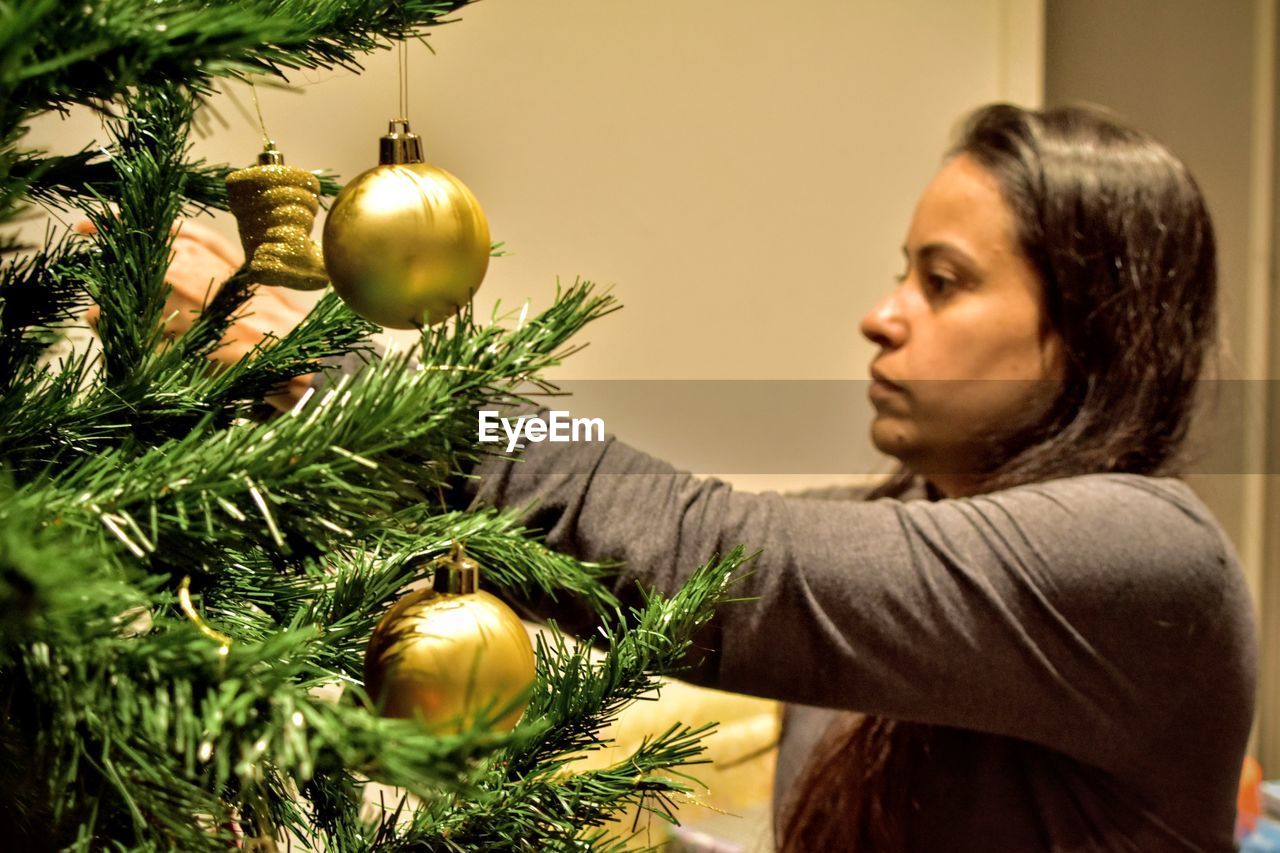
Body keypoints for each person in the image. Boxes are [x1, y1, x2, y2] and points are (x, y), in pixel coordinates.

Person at [152, 103, 1258, 852]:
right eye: (897, 273)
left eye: (942, 281)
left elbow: (713, 557)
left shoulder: (1140, 559)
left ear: (1084, 333)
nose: (881, 316)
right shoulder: (915, 524)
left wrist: (355, 380)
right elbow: (646, 520)